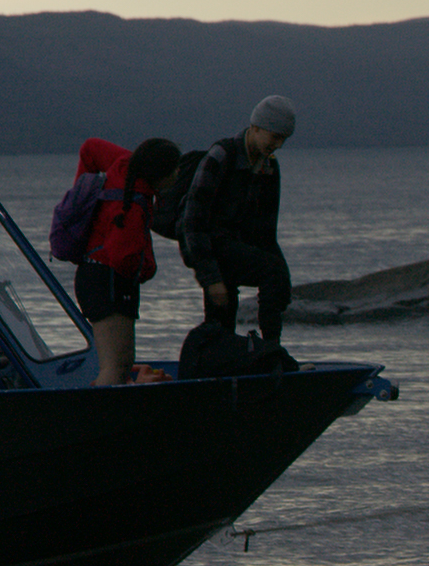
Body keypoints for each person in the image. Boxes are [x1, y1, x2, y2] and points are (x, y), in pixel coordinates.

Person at [178, 95, 294, 341]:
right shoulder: (221, 155)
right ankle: (267, 349)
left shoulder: (269, 167)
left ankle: (266, 354)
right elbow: (193, 221)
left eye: (284, 139)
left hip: (237, 247)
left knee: (275, 275)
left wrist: (283, 279)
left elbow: (266, 232)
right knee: (221, 316)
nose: (279, 144)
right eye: (275, 136)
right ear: (255, 127)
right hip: (211, 247)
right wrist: (210, 278)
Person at [72, 137, 183, 385]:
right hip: (107, 282)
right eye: (173, 169)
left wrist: (82, 191)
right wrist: (146, 270)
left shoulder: (124, 166)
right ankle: (96, 419)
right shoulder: (132, 206)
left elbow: (89, 147)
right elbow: (122, 257)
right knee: (117, 366)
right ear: (158, 173)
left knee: (120, 363)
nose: (178, 173)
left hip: (95, 276)